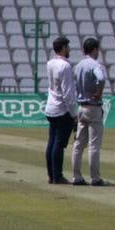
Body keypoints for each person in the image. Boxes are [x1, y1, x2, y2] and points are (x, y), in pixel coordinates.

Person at [72, 37, 107, 186]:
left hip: (81, 107)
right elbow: (101, 78)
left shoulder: (78, 65)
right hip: (93, 107)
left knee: (79, 144)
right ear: (94, 50)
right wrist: (99, 91)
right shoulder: (95, 64)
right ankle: (95, 178)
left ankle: (76, 177)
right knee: (94, 145)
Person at [43, 36, 78, 185]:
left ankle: (51, 175)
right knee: (58, 144)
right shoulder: (65, 66)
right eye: (68, 47)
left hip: (51, 106)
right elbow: (68, 93)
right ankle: (58, 176)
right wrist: (74, 113)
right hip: (62, 109)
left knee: (51, 142)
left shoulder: (50, 63)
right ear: (63, 47)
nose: (69, 49)